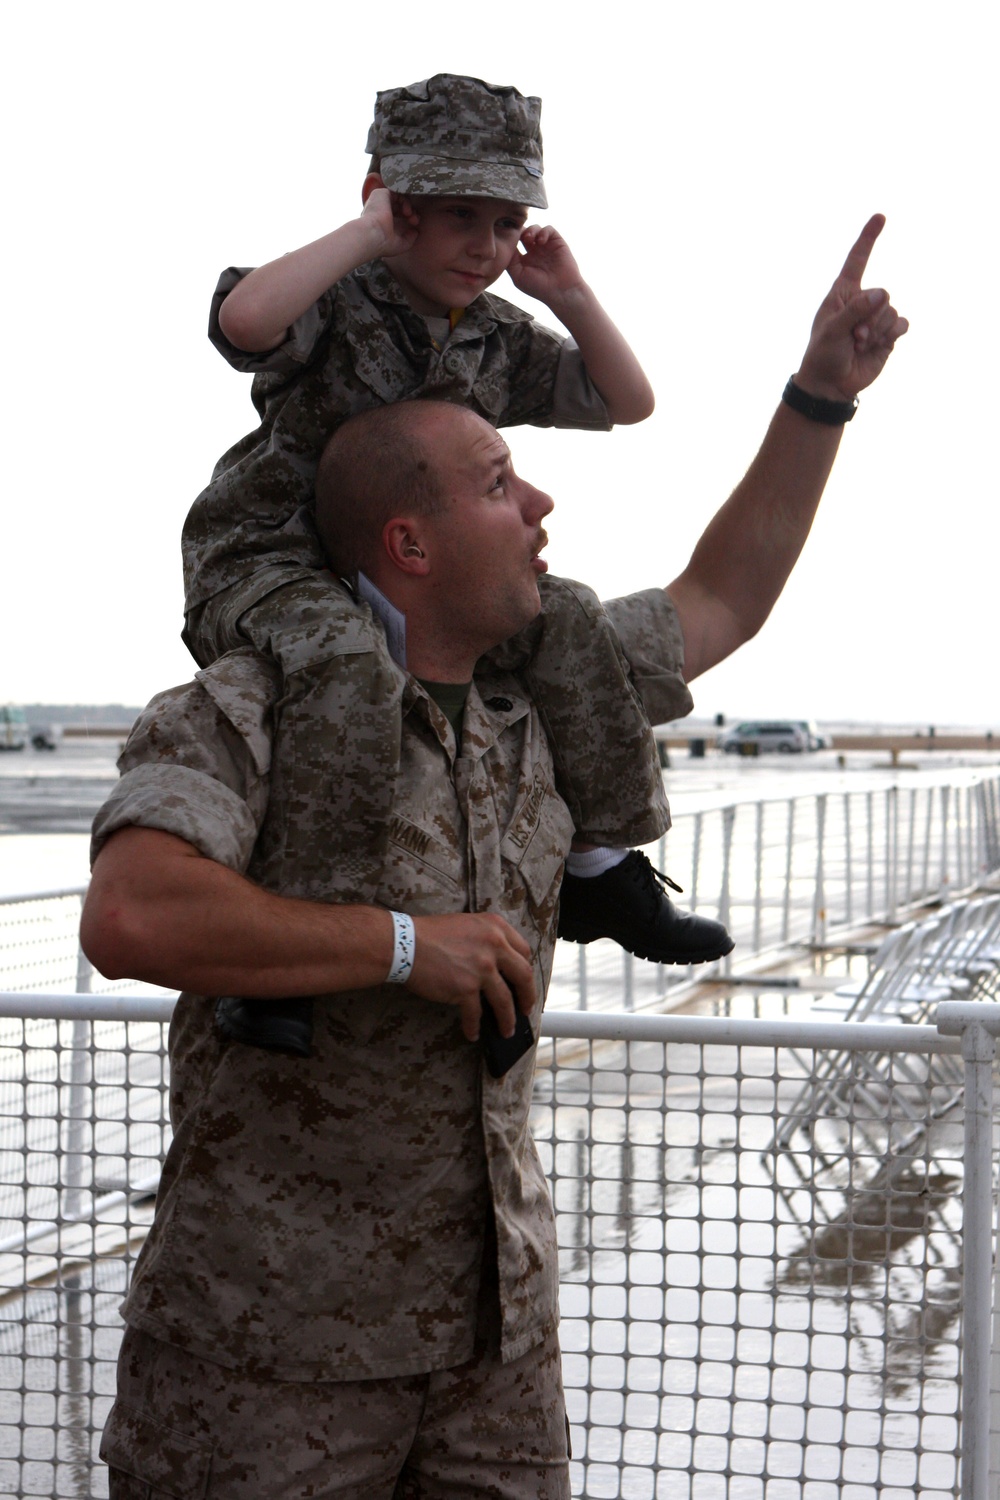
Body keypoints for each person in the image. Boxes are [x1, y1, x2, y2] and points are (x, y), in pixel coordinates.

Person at [82, 219, 907, 1497]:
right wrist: (403, 947)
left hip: (494, 1352)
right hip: (265, 1361)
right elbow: (133, 915)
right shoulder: (245, 711)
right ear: (407, 546)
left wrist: (819, 398)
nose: (540, 503)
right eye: (497, 481)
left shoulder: (542, 704)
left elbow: (726, 596)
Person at [182, 71, 733, 972]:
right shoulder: (338, 295)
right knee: (342, 661)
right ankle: (306, 924)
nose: (485, 246)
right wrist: (363, 235)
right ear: (390, 201)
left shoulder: (490, 333)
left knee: (569, 617)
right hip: (278, 556)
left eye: (507, 223)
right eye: (457, 215)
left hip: (428, 574)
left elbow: (627, 402)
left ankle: (599, 864)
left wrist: (571, 295)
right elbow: (244, 321)